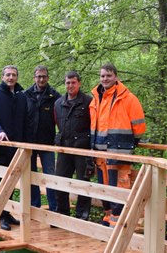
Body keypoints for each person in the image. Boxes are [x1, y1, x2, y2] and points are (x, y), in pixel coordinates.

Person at [90, 63, 146, 227]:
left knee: (120, 189)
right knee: (105, 189)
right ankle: (108, 221)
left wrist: (130, 143)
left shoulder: (128, 98)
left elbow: (139, 126)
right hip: (100, 154)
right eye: (102, 76)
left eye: (108, 76)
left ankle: (119, 225)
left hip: (119, 153)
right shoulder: (96, 98)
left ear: (116, 76)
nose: (105, 79)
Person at [0, 65, 27, 231]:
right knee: (1, 182)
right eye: (8, 75)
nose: (11, 77)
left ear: (17, 77)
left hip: (17, 147)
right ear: (2, 76)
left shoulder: (22, 96)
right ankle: (1, 216)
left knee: (13, 182)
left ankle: (8, 214)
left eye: (14, 75)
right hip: (0, 145)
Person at [54, 71, 93, 220]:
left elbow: (94, 125)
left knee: (83, 182)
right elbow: (57, 122)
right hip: (64, 148)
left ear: (79, 83)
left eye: (73, 82)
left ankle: (82, 216)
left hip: (82, 148)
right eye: (68, 83)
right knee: (60, 181)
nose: (70, 86)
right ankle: (63, 214)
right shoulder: (58, 103)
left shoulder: (89, 102)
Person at [24, 65, 61, 212]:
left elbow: (62, 119)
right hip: (29, 143)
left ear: (48, 78)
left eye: (44, 76)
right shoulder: (25, 95)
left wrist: (59, 137)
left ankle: (53, 208)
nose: (41, 79)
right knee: (31, 175)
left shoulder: (54, 96)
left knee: (50, 175)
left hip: (47, 143)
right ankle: (34, 206)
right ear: (34, 78)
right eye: (38, 76)